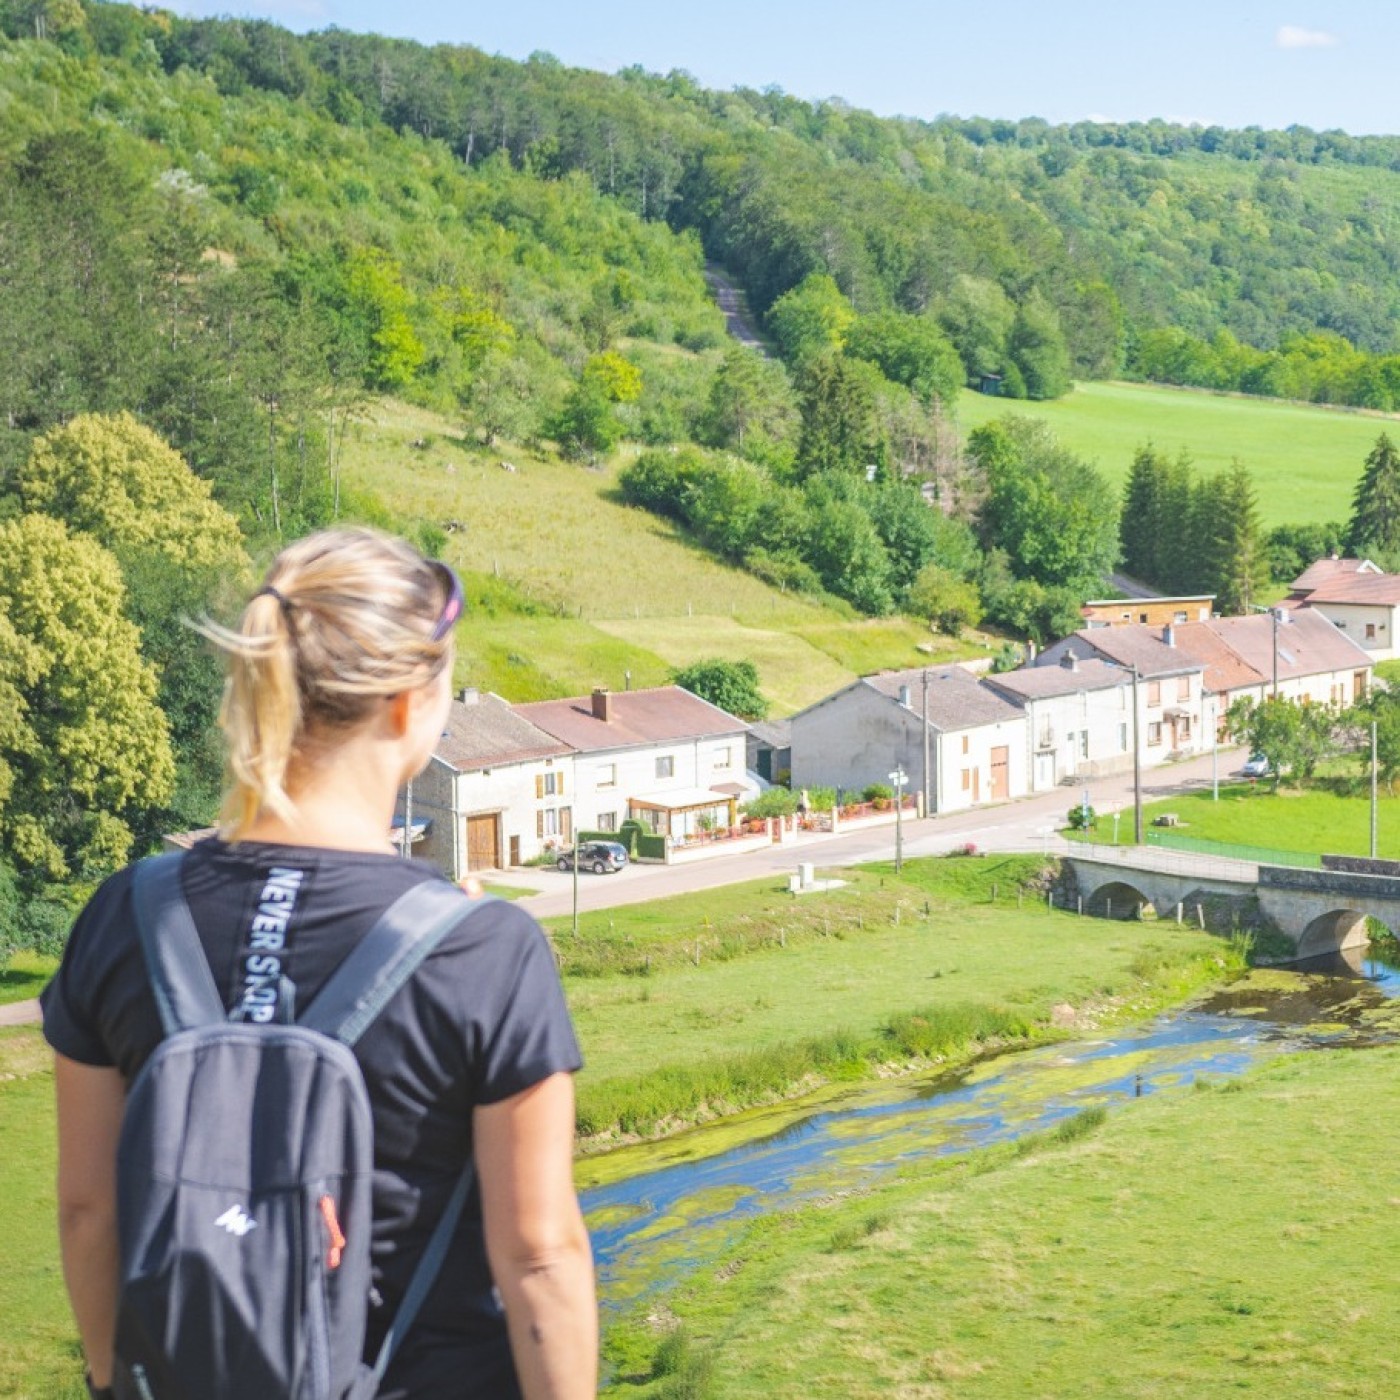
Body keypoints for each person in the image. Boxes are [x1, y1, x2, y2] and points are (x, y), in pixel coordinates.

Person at [42, 527, 597, 1400]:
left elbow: (88, 1212)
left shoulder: (127, 914)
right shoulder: (483, 949)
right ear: (411, 707)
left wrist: (117, 1382)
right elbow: (539, 1256)